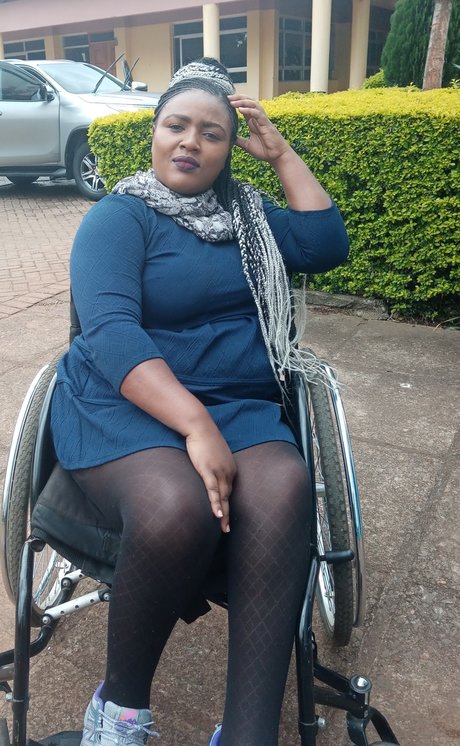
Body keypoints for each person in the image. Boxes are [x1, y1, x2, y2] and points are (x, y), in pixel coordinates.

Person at [50, 58, 349, 746]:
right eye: (176, 126)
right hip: (124, 402)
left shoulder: (249, 218)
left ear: (228, 149)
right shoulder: (120, 218)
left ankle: (249, 734)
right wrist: (194, 426)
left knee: (284, 487)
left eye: (212, 133)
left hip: (237, 403)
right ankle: (118, 713)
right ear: (155, 134)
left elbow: (326, 243)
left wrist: (281, 154)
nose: (190, 142)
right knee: (174, 505)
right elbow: (111, 333)